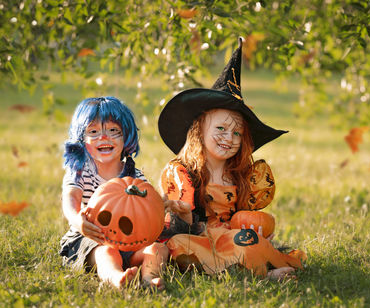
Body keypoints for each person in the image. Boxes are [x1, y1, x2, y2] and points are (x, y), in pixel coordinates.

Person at [157, 38, 306, 279]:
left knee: (248, 242)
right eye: (221, 129)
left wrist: (258, 232)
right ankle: (254, 270)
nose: (229, 138)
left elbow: (244, 217)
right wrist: (181, 212)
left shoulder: (242, 175)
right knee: (176, 246)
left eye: (237, 133)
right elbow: (180, 220)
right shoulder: (183, 172)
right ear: (199, 130)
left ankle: (259, 269)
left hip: (232, 238)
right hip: (197, 238)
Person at [59, 96, 169, 289]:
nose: (104, 137)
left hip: (130, 242)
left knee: (157, 248)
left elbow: (149, 205)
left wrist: (162, 203)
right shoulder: (81, 171)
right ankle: (116, 277)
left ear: (126, 137)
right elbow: (70, 198)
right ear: (82, 140)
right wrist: (78, 221)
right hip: (91, 238)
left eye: (113, 130)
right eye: (93, 131)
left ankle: (149, 278)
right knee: (107, 253)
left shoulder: (133, 175)